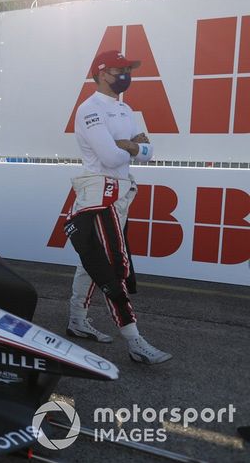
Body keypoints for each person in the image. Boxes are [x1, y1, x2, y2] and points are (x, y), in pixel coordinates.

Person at [64, 50, 172, 365]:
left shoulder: (125, 109)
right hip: (101, 195)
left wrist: (131, 146)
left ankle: (76, 320)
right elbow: (111, 158)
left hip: (121, 192)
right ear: (101, 73)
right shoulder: (90, 109)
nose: (125, 74)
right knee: (114, 267)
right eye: (118, 69)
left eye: (128, 68)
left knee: (91, 262)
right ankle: (134, 340)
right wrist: (133, 147)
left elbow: (148, 151)